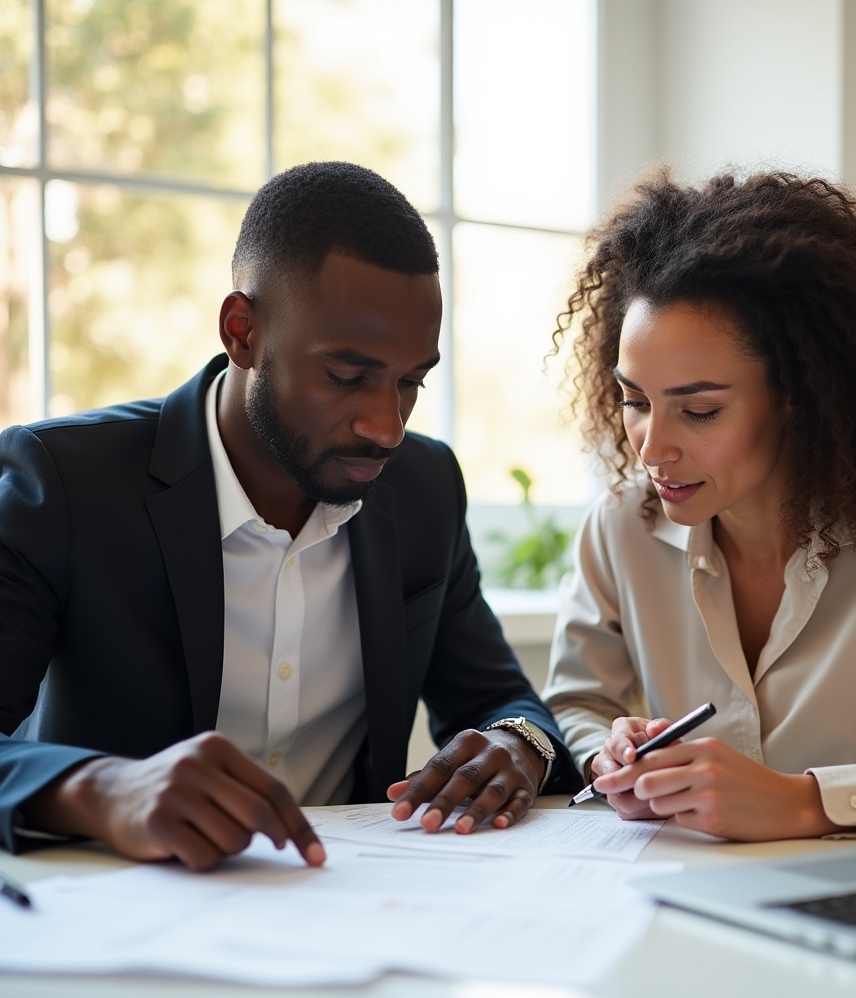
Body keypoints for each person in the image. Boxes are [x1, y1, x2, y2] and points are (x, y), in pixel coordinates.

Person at [0, 161, 580, 870]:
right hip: (111, 907)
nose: (387, 426)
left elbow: (501, 700)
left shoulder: (424, 488)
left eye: (410, 383)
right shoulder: (63, 482)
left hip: (358, 910)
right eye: (346, 377)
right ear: (242, 331)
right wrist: (102, 787)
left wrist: (518, 743)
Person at [542, 170, 856, 840]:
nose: (653, 449)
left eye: (699, 410)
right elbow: (577, 700)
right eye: (635, 401)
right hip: (679, 889)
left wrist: (809, 801)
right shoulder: (621, 527)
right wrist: (610, 752)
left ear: (799, 395)